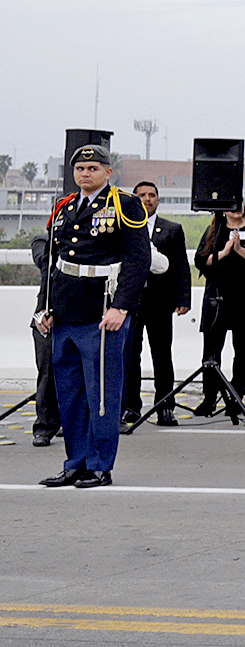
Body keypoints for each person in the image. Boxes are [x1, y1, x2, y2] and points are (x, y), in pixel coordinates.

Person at [33, 143, 150, 489]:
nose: (86, 174)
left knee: (101, 393)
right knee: (69, 392)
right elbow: (53, 263)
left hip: (102, 310)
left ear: (107, 172)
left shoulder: (124, 205)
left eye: (93, 168)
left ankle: (100, 465)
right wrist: (45, 306)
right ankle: (75, 462)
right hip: (66, 309)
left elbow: (137, 260)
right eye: (80, 169)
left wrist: (122, 307)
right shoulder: (64, 207)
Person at [122, 180, 191, 427]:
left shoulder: (171, 229)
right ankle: (131, 406)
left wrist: (183, 298)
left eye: (152, 195)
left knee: (162, 355)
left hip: (160, 302)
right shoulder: (124, 227)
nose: (147, 199)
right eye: (142, 195)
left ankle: (165, 406)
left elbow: (181, 266)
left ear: (158, 200)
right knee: (130, 355)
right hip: (130, 302)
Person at [191, 206, 245, 418]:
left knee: (243, 349)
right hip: (217, 297)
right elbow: (201, 261)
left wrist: (238, 249)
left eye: (240, 205)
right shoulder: (214, 231)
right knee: (211, 351)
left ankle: (236, 397)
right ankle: (210, 398)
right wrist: (225, 251)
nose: (236, 210)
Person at [27, 231, 59, 446]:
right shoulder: (43, 241)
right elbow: (44, 261)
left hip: (78, 316)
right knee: (47, 372)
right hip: (45, 317)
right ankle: (44, 426)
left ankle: (71, 422)